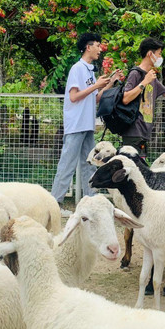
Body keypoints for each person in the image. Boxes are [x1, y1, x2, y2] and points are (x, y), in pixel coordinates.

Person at [50, 33, 120, 207]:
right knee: (67, 164)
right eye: (97, 45)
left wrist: (110, 82)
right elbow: (73, 97)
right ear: (88, 47)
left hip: (87, 125)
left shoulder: (89, 69)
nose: (100, 49)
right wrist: (96, 85)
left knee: (90, 163)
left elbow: (95, 97)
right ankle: (54, 203)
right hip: (76, 125)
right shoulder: (78, 68)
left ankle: (91, 202)